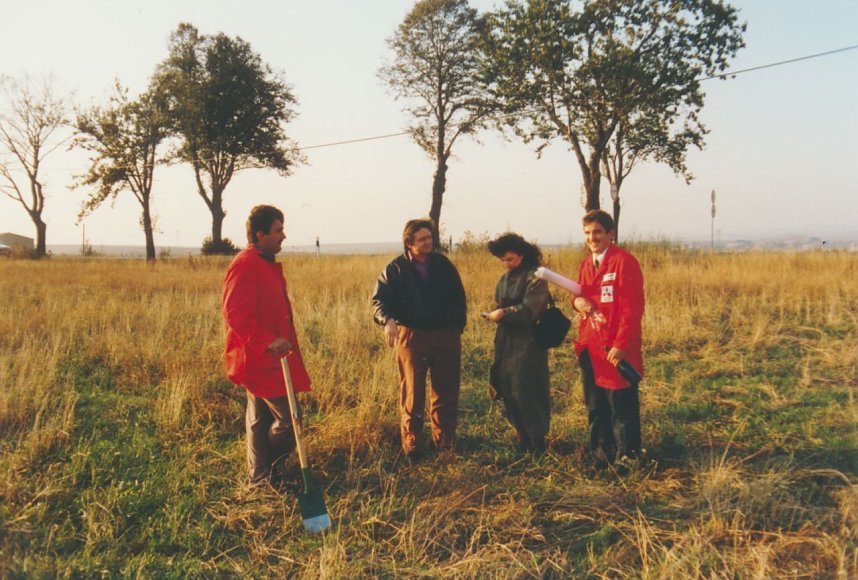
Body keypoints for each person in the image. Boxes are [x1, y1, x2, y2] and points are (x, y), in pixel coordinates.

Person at [222, 205, 312, 487]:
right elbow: (235, 313)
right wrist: (268, 341)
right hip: (259, 360)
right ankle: (265, 468)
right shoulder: (245, 264)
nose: (283, 236)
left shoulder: (264, 261)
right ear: (260, 235)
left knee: (259, 421)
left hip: (271, 359)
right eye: (278, 230)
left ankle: (259, 478)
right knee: (290, 422)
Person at [372, 219, 467, 461]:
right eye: (422, 239)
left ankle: (445, 442)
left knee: (446, 390)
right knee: (412, 392)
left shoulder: (443, 265)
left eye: (429, 238)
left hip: (446, 335)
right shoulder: (395, 269)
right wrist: (388, 320)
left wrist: (456, 328)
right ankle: (412, 442)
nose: (428, 242)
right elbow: (379, 301)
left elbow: (459, 296)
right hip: (412, 336)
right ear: (409, 243)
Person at [571, 210, 645, 470]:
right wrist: (577, 302)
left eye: (598, 232)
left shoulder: (624, 262)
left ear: (610, 234)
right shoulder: (585, 264)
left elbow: (632, 309)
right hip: (590, 346)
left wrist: (621, 345)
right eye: (588, 234)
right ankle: (601, 455)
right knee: (595, 405)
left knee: (620, 406)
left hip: (614, 348)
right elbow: (580, 295)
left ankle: (627, 457)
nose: (593, 238)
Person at [484, 233, 551, 454]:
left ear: (521, 255)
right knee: (507, 386)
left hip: (529, 341)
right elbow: (498, 302)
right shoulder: (504, 279)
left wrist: (502, 313)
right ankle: (522, 437)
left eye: (510, 259)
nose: (506, 264)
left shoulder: (536, 277)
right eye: (502, 260)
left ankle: (537, 441)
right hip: (506, 340)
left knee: (527, 388)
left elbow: (530, 310)